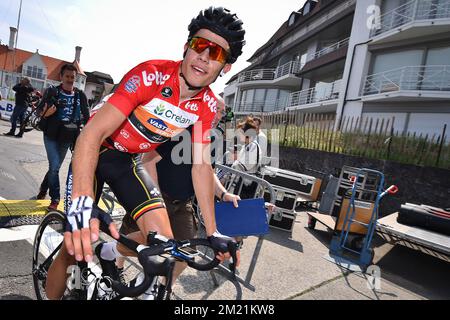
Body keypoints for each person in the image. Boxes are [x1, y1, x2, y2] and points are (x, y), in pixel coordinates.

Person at [44, 6, 246, 300]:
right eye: (200, 45)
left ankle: (110, 252)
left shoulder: (207, 106)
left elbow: (201, 167)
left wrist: (213, 232)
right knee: (73, 247)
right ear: (186, 48)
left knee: (165, 243)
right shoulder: (151, 75)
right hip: (96, 150)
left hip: (125, 161)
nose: (204, 56)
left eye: (215, 53)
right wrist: (81, 205)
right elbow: (91, 134)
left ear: (225, 67)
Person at [115, 124, 241, 294]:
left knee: (186, 253)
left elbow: (208, 172)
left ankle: (162, 286)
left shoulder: (208, 137)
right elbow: (148, 161)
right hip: (155, 199)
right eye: (216, 109)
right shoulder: (179, 129)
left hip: (182, 204)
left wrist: (224, 194)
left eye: (221, 111)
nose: (218, 115)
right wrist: (155, 201)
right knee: (128, 239)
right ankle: (117, 266)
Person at [35, 64, 90, 211]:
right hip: (51, 136)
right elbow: (38, 111)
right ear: (61, 77)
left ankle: (43, 187)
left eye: (73, 77)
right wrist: (46, 114)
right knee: (54, 166)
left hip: (67, 138)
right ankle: (55, 198)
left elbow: (87, 117)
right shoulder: (52, 92)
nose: (70, 79)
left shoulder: (80, 95)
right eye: (67, 76)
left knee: (55, 167)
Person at [231, 117, 262, 199]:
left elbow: (242, 166)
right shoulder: (247, 146)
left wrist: (228, 170)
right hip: (240, 183)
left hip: (245, 186)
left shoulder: (253, 146)